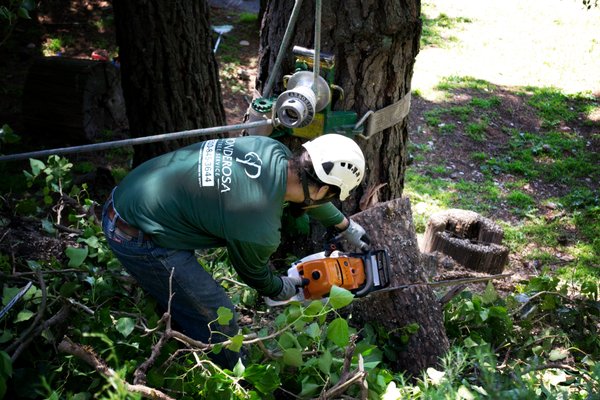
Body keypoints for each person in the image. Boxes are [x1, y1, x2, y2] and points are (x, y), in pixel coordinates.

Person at [101, 133, 370, 368]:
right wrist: (283, 288)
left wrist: (344, 224)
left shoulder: (270, 149)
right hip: (135, 237)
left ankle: (178, 323)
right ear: (323, 188)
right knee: (217, 314)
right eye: (331, 195)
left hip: (130, 195)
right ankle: (238, 379)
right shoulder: (258, 222)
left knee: (187, 298)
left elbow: (307, 192)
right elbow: (254, 274)